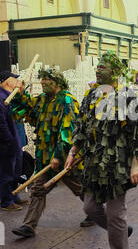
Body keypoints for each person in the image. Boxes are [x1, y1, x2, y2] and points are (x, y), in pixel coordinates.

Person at [65, 52, 138, 249]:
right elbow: (82, 128)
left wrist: (136, 164)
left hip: (118, 166)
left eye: (103, 66)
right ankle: (121, 230)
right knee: (90, 208)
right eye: (98, 66)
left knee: (115, 214)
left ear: (114, 72)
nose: (98, 69)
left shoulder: (128, 97)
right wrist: (73, 151)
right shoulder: (90, 96)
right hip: (95, 166)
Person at [11, 68, 94, 239]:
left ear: (57, 82)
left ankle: (95, 211)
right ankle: (29, 226)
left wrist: (58, 155)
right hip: (45, 156)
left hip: (64, 157)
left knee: (79, 188)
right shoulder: (42, 100)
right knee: (38, 189)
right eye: (42, 79)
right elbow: (29, 109)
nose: (42, 82)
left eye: (46, 79)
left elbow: (69, 132)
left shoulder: (67, 101)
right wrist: (19, 93)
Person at [0, 71, 26, 211]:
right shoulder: (1, 98)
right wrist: (9, 140)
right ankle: (6, 201)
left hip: (14, 141)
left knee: (15, 170)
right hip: (7, 143)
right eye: (14, 79)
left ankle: (14, 196)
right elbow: (1, 124)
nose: (17, 81)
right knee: (6, 172)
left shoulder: (10, 96)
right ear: (6, 81)